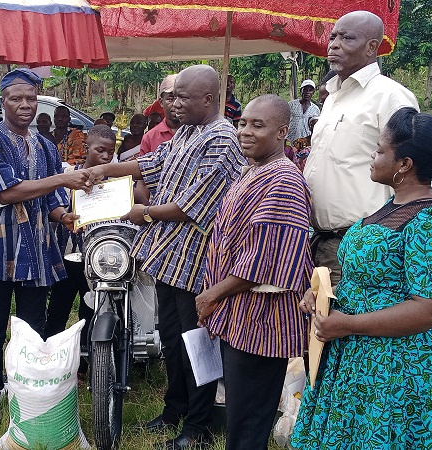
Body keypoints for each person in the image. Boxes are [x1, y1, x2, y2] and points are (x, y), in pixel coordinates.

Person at [86, 64, 246, 449]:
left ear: (208, 99)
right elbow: (151, 164)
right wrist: (104, 171)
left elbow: (193, 204)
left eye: (183, 97)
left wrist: (144, 213)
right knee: (173, 341)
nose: (174, 104)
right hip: (169, 258)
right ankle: (174, 409)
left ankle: (197, 428)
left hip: (198, 262)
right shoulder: (187, 132)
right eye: (172, 97)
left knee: (197, 344)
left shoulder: (222, 139)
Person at [0, 68, 90, 430]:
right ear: (3, 101)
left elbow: (53, 198)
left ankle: (25, 392)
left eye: (30, 98)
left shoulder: (43, 144)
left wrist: (64, 215)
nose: (25, 105)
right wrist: (61, 178)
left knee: (34, 327)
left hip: (37, 247)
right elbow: (3, 193)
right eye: (16, 98)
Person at [292, 107, 432, 449]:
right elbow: (370, 277)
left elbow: (429, 309)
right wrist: (325, 294)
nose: (371, 157)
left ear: (405, 164)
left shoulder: (428, 221)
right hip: (356, 355)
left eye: (380, 150)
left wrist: (349, 325)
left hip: (392, 365)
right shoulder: (392, 205)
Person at [198, 95, 312, 450]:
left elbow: (267, 260)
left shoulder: (284, 181)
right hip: (240, 314)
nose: (245, 131)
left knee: (249, 420)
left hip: (262, 321)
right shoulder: (254, 171)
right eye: (243, 123)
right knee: (241, 412)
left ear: (282, 133)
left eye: (257, 126)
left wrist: (214, 292)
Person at [304, 10, 419, 285]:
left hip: (361, 245)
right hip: (319, 241)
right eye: (333, 37)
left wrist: (384, 236)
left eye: (346, 38)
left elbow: (414, 174)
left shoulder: (390, 96)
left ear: (371, 47)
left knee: (350, 324)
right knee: (322, 324)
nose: (334, 44)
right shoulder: (332, 97)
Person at [45, 125, 117, 355]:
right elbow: (51, 208)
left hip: (97, 260)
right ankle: (51, 355)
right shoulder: (68, 176)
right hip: (66, 256)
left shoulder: (114, 183)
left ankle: (85, 361)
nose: (105, 156)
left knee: (90, 310)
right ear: (86, 148)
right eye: (100, 150)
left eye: (110, 152)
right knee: (58, 308)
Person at [139, 74, 180, 156]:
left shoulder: (196, 132)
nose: (176, 104)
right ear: (161, 102)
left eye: (180, 98)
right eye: (171, 99)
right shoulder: (149, 138)